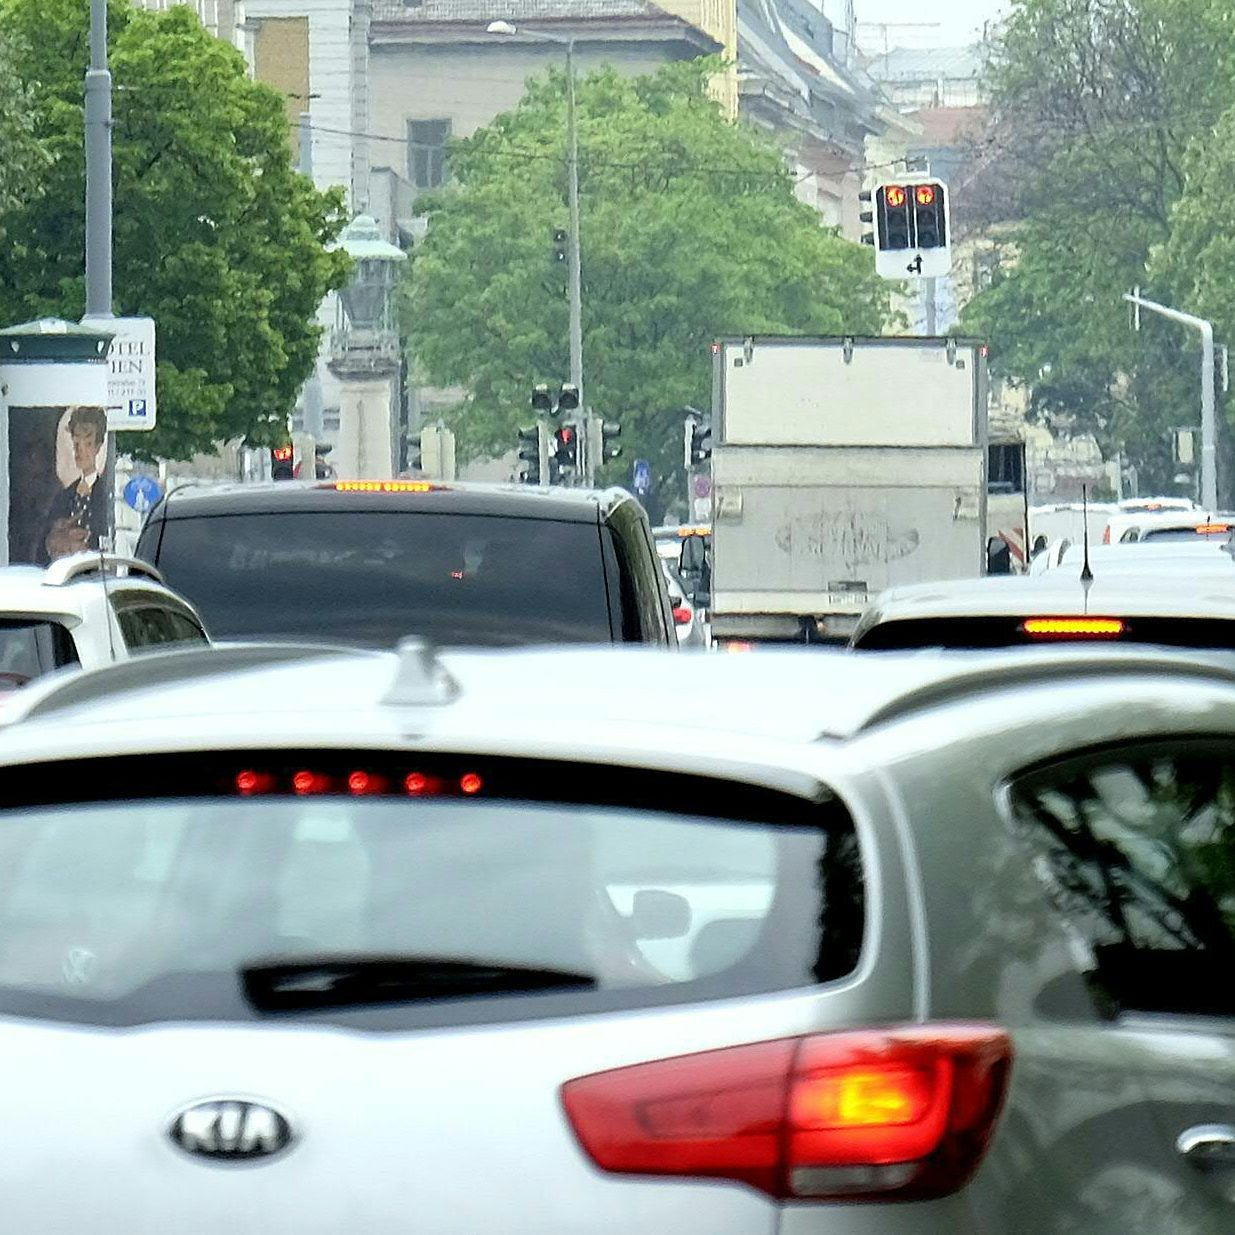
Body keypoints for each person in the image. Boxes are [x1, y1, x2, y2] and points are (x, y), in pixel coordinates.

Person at [43, 406, 108, 563]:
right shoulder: (64, 496)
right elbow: (47, 541)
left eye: (88, 444)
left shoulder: (105, 493)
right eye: (76, 443)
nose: (80, 451)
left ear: (98, 447)